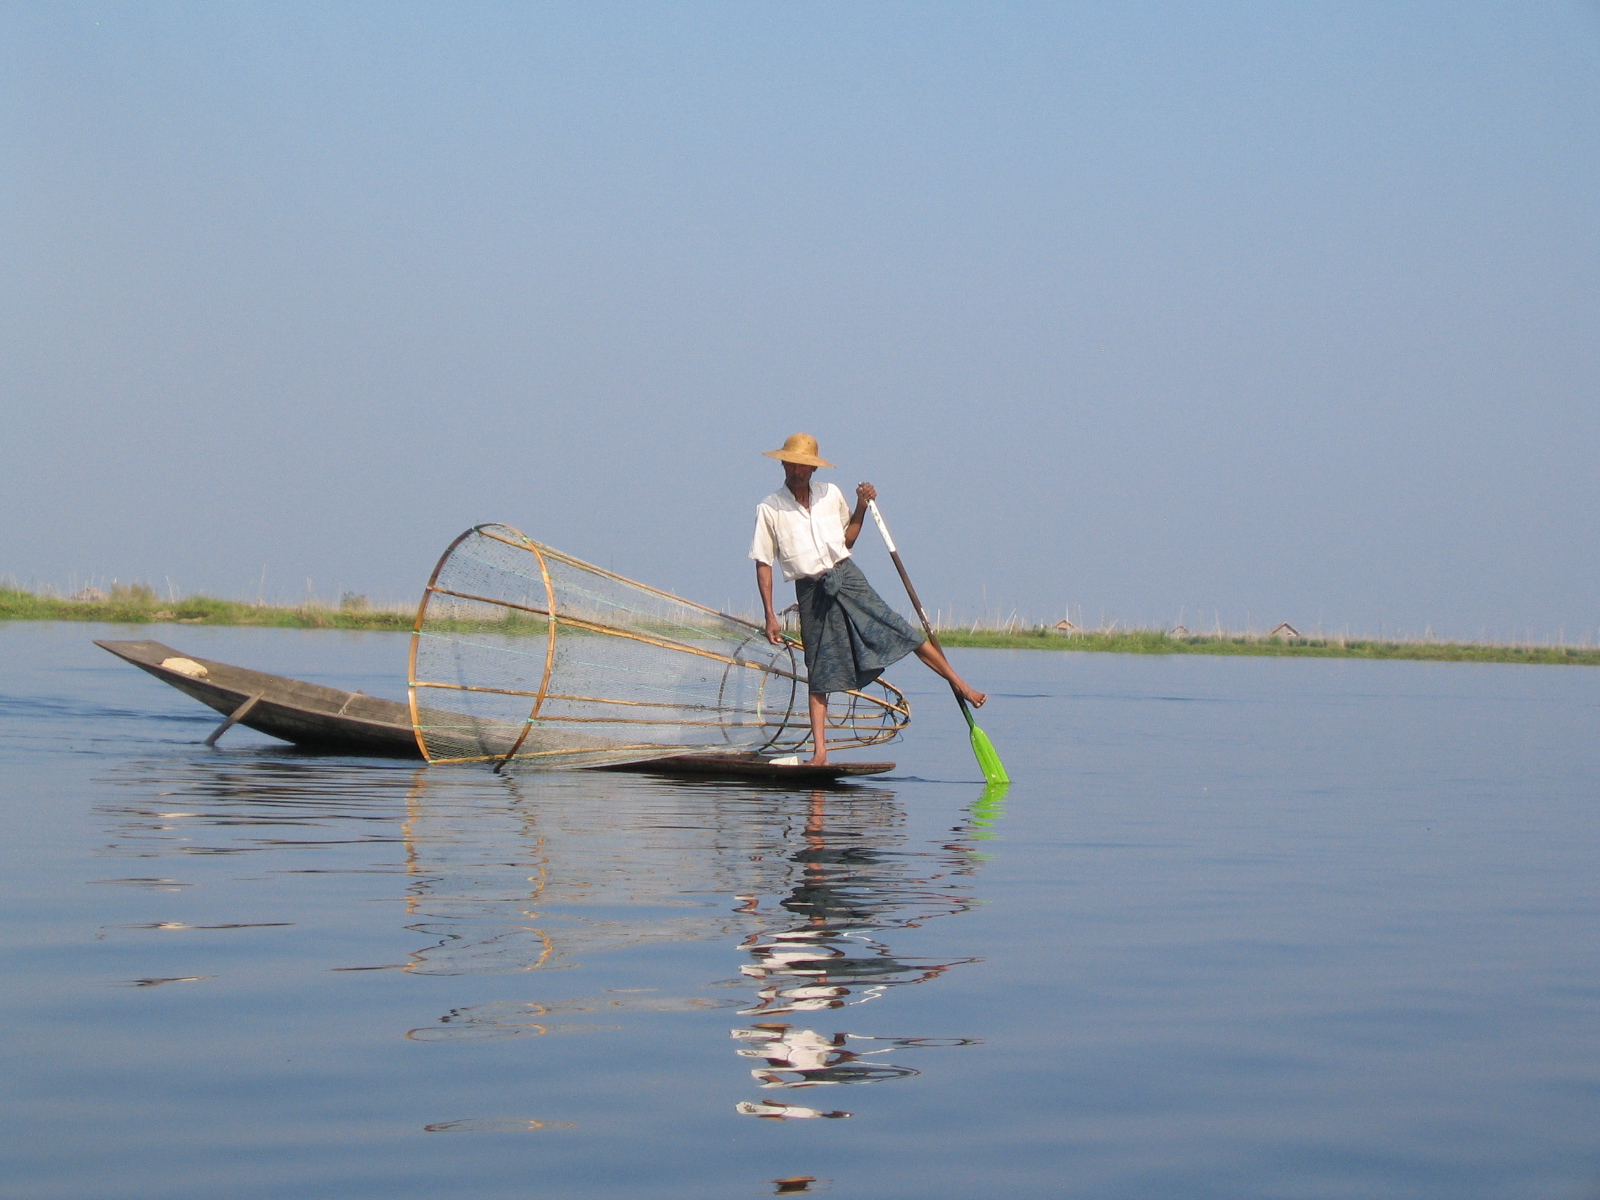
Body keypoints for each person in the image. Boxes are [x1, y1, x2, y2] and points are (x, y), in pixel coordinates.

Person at [750, 433, 986, 766]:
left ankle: (961, 685)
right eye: (792, 464)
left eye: (804, 465)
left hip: (847, 576)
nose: (797, 470)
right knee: (819, 669)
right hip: (810, 590)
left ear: (813, 469)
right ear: (783, 464)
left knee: (901, 630)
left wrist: (861, 506)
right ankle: (820, 753)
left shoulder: (830, 494)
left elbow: (848, 539)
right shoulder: (769, 508)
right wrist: (770, 615)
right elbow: (764, 563)